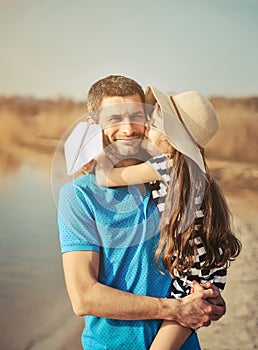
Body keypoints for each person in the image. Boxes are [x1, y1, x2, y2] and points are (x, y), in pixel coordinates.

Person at [58, 75, 226, 350]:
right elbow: (84, 297)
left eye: (137, 116)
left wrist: (210, 299)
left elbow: (202, 256)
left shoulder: (174, 187)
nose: (128, 128)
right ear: (93, 125)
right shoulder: (78, 195)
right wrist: (177, 309)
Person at [95, 86, 242, 349]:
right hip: (206, 274)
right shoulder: (193, 170)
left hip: (190, 280)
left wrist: (98, 158)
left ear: (171, 136)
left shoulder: (165, 165)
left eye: (156, 120)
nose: (148, 122)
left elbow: (106, 178)